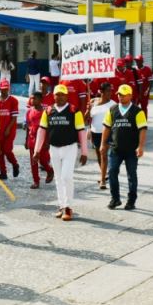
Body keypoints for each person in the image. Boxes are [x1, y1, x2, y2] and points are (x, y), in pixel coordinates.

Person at [34, 85, 88, 222]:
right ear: (54, 96)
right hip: (54, 148)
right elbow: (41, 131)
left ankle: (68, 207)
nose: (60, 97)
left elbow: (81, 131)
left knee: (66, 177)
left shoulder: (74, 110)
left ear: (67, 96)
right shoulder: (48, 111)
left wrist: (84, 152)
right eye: (57, 94)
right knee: (58, 178)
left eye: (63, 94)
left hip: (70, 148)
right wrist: (37, 150)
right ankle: (61, 205)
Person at [99, 84, 147, 210]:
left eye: (124, 95)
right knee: (112, 172)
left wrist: (141, 147)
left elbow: (142, 130)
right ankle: (115, 198)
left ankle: (131, 200)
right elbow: (106, 127)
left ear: (130, 96)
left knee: (131, 175)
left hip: (131, 150)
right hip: (115, 149)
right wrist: (103, 144)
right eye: (119, 94)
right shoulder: (112, 110)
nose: (121, 97)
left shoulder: (138, 111)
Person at [0, 80, 20, 180]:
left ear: (9, 88)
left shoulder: (13, 101)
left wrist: (8, 128)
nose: (5, 91)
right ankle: (3, 172)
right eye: (3, 89)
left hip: (9, 131)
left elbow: (14, 117)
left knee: (7, 150)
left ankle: (15, 164)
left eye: (6, 89)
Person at [89, 82, 116, 190]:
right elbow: (87, 118)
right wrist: (87, 109)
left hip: (107, 133)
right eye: (108, 91)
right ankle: (104, 174)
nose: (110, 93)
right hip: (94, 132)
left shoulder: (113, 104)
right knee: (99, 156)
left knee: (103, 154)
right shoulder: (93, 102)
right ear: (101, 92)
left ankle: (103, 180)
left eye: (111, 90)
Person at [24, 91, 53, 189]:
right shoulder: (29, 111)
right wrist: (26, 140)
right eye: (31, 98)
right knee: (33, 161)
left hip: (42, 140)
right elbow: (28, 127)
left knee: (43, 160)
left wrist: (48, 142)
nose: (32, 100)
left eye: (34, 98)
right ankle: (36, 181)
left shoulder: (45, 112)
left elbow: (48, 128)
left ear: (41, 100)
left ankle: (49, 170)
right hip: (32, 140)